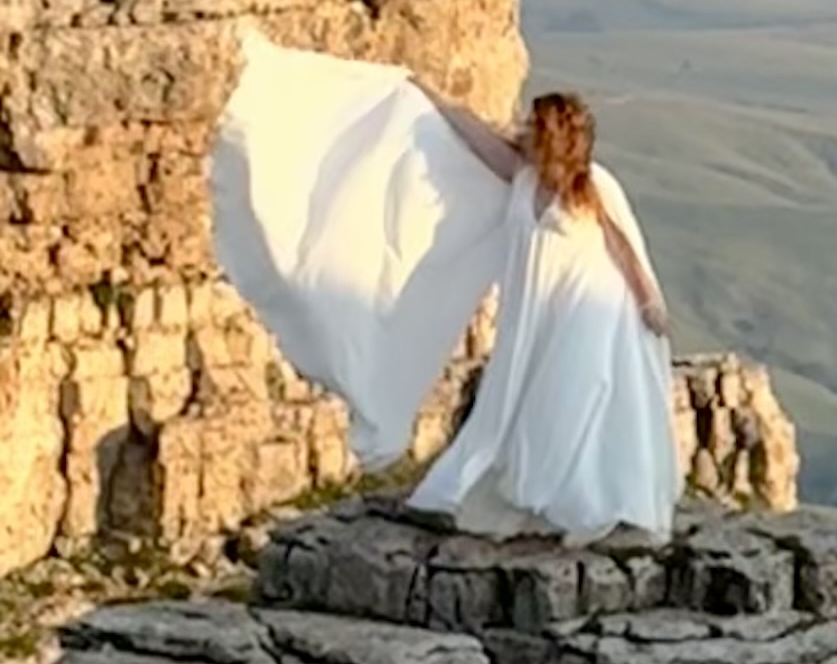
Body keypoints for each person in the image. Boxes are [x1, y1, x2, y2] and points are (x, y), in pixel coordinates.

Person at [213, 31, 679, 541]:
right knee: (531, 394)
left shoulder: (594, 189)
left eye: (533, 124)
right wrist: (424, 94)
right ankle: (531, 491)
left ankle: (579, 496)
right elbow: (470, 131)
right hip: (537, 311)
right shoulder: (520, 177)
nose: (522, 128)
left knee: (578, 393)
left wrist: (648, 300)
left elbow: (624, 247)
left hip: (590, 309)